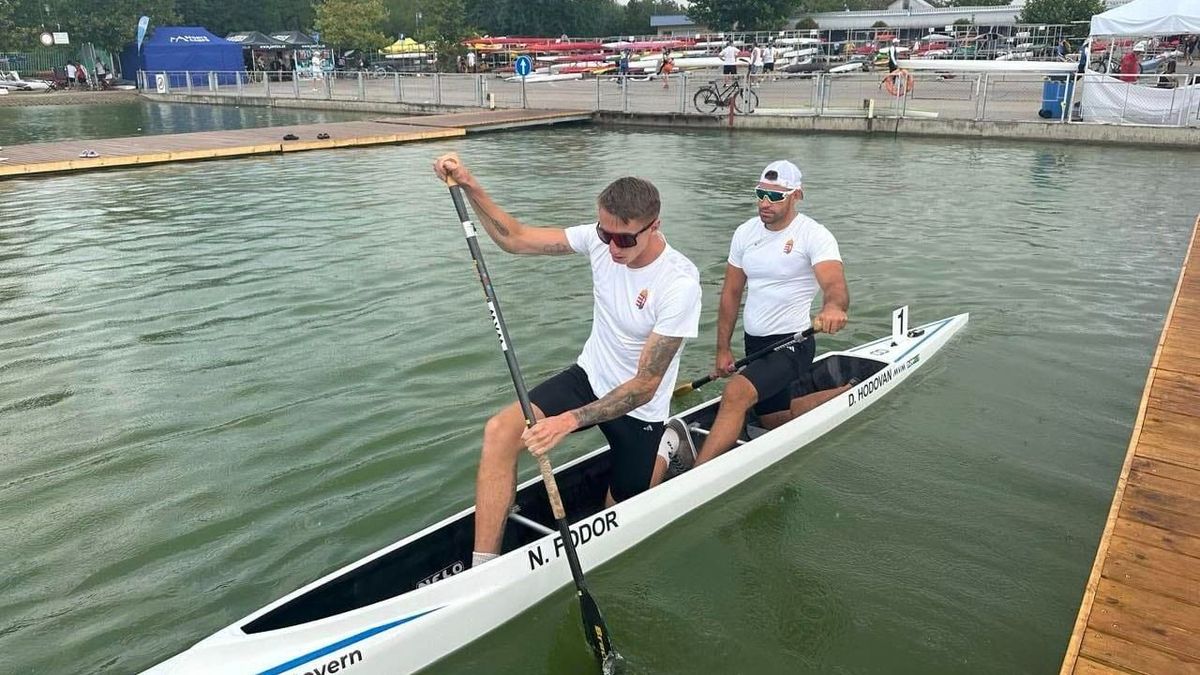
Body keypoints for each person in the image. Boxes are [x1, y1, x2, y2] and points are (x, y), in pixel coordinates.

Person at [432, 153, 702, 568]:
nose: (612, 246)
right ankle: (481, 568)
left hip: (639, 407)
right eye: (604, 232)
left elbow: (645, 384)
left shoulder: (678, 284)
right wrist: (470, 184)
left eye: (625, 239)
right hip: (589, 377)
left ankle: (667, 444)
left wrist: (569, 421)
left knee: (617, 512)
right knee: (501, 431)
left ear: (654, 227)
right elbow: (516, 238)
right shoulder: (600, 240)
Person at [674, 160, 850, 471]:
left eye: (775, 197)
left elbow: (834, 284)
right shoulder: (745, 233)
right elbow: (730, 293)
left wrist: (834, 307)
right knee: (773, 419)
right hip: (755, 344)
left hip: (792, 344)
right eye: (760, 193)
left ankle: (696, 474)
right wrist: (723, 349)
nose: (764, 203)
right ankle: (845, 393)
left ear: (796, 195)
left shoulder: (814, 235)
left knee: (736, 392)